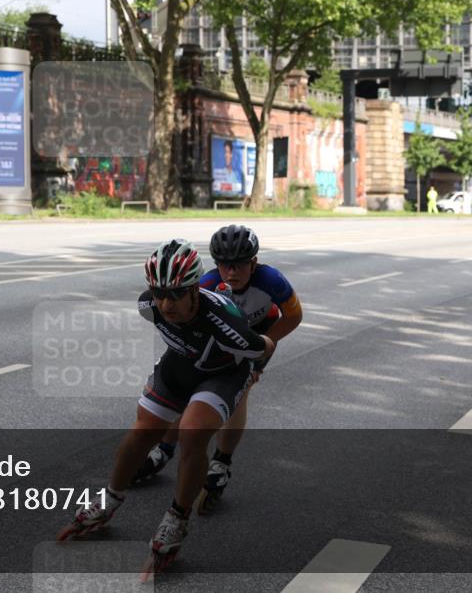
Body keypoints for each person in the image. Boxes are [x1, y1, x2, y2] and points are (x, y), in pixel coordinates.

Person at [58, 239, 274, 571]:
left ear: (194, 291)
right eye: (159, 292)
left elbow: (266, 345)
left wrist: (255, 371)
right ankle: (110, 498)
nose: (166, 303)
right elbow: (175, 333)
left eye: (175, 294)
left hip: (225, 372)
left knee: (192, 431)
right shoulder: (149, 306)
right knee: (144, 430)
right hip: (181, 365)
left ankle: (177, 518)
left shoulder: (226, 325)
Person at [134, 225, 303, 513]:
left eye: (238, 265)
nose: (231, 272)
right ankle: (164, 449)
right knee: (186, 390)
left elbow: (294, 316)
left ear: (254, 263)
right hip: (215, 339)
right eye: (224, 265)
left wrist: (258, 355)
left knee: (239, 394)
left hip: (257, 335)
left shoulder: (272, 280)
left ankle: (222, 461)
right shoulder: (206, 286)